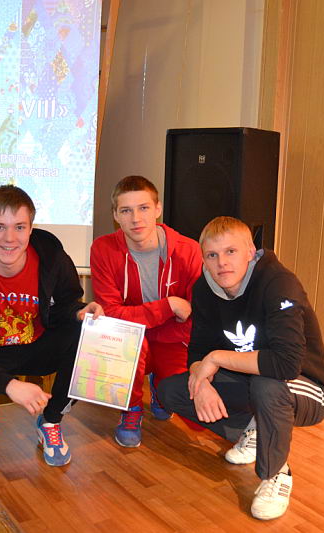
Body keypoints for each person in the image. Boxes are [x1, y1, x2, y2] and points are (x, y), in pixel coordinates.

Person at [157, 216, 324, 520]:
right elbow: (198, 351)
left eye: (230, 251)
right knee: (172, 391)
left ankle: (276, 474)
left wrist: (215, 359)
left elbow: (285, 363)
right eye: (212, 255)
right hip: (250, 380)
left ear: (250, 252)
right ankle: (254, 431)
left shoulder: (278, 283)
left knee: (267, 384)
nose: (221, 263)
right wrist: (201, 382)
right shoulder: (204, 289)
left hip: (306, 386)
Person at [0, 185, 102, 467]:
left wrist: (79, 312)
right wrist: (7, 385)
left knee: (86, 334)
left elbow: (66, 305)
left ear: (31, 229)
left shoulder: (53, 259)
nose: (9, 238)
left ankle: (50, 422)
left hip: (36, 347)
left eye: (19, 227)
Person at [90, 175, 202, 447]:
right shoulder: (103, 249)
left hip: (172, 335)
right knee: (120, 338)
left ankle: (159, 384)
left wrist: (160, 322)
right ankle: (131, 408)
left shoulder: (189, 250)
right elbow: (111, 314)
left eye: (143, 208)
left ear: (158, 209)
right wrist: (168, 305)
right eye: (126, 211)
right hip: (130, 335)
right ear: (115, 215)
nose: (136, 219)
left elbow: (196, 314)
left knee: (188, 408)